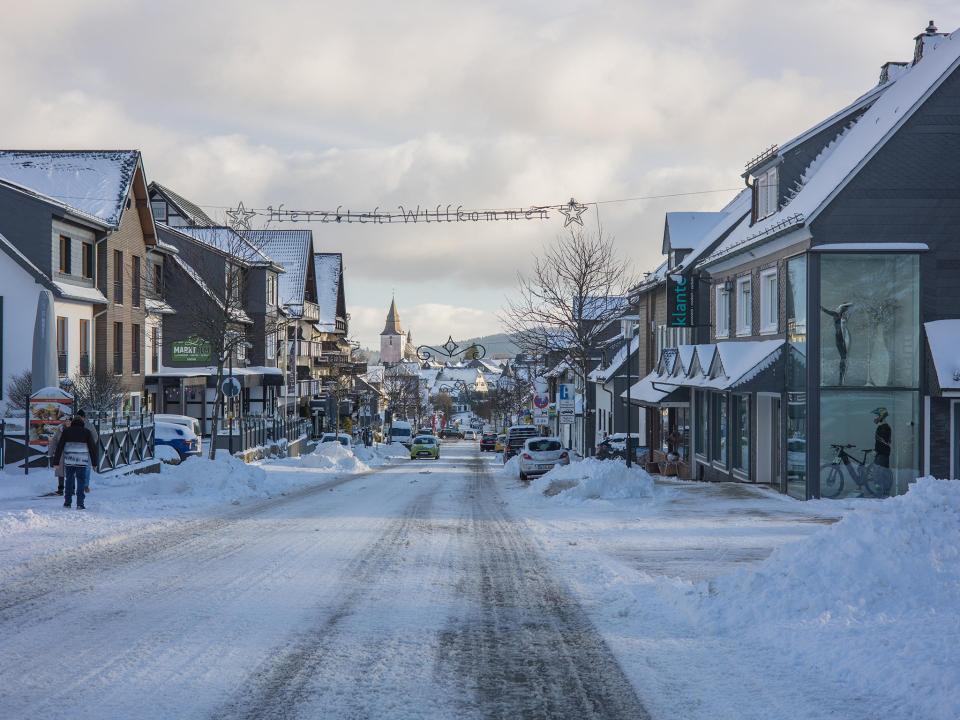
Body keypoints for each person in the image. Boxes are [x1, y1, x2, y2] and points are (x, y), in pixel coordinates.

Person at [53, 415, 99, 510]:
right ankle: (80, 504)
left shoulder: (66, 431)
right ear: (82, 423)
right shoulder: (87, 432)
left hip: (69, 460)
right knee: (81, 482)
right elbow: (92, 448)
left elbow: (60, 447)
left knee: (69, 481)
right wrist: (94, 463)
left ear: (73, 422)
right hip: (82, 461)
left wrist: (56, 461)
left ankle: (67, 502)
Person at [76, 410, 98, 493]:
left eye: (80, 417)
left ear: (83, 417)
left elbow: (95, 437)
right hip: (76, 449)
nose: (79, 418)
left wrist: (90, 444)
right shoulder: (74, 424)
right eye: (77, 416)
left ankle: (86, 485)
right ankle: (79, 484)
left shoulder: (89, 425)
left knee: (87, 468)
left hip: (86, 449)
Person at [47, 422, 66, 495]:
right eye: (66, 421)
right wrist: (50, 453)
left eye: (69, 421)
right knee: (60, 472)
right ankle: (60, 489)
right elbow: (54, 442)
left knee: (71, 472)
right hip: (60, 454)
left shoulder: (72, 430)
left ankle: (72, 489)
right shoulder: (59, 431)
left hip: (69, 453)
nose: (67, 422)